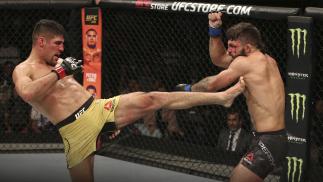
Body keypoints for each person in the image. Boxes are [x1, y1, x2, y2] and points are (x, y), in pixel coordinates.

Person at [12, 19, 245, 182]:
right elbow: (27, 93)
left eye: (63, 44)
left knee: (152, 98)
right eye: (57, 44)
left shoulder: (57, 63)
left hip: (98, 110)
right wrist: (61, 73)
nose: (62, 49)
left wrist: (106, 125)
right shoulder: (24, 69)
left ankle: (221, 97)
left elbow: (73, 94)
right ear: (41, 42)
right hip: (75, 130)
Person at [176, 12, 287, 181]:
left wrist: (188, 89)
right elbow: (219, 58)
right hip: (269, 137)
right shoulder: (267, 60)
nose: (229, 51)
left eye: (233, 46)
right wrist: (214, 29)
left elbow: (211, 85)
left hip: (270, 140)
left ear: (248, 47)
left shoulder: (245, 63)